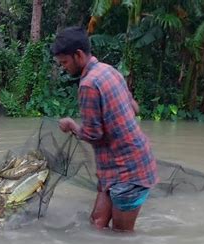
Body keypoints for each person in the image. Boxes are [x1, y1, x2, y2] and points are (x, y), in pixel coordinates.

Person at [51, 27, 159, 232]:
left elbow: (94, 134)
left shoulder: (88, 85)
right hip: (114, 168)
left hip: (129, 172)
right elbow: (134, 108)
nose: (63, 67)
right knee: (97, 223)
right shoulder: (110, 70)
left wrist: (72, 126)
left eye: (64, 62)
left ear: (79, 55)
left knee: (121, 238)